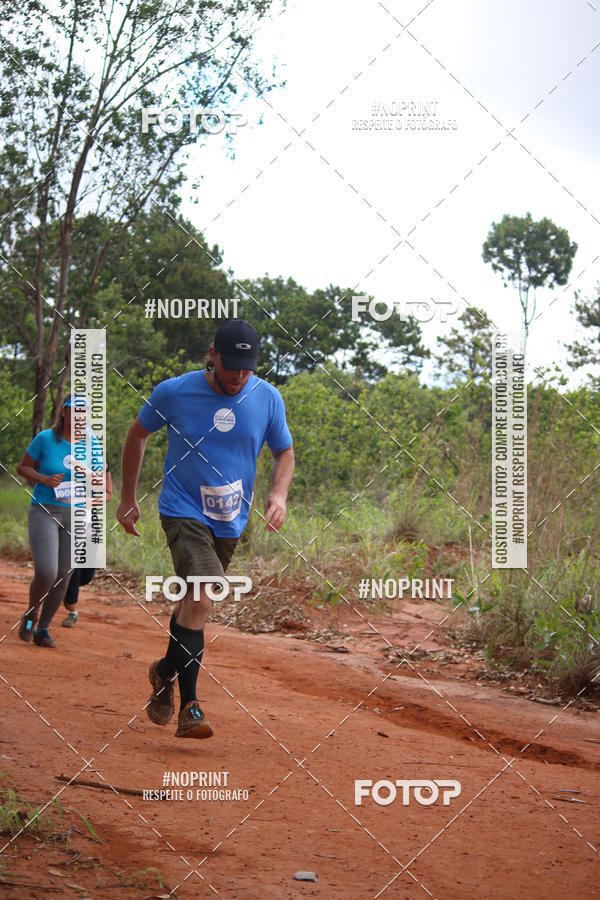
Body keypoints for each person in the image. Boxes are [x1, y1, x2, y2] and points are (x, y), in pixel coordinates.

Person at [116, 319, 294, 739]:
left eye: (246, 368)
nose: (238, 376)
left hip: (230, 520)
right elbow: (137, 435)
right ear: (212, 355)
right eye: (231, 366)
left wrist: (279, 494)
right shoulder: (174, 391)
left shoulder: (267, 398)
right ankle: (191, 708)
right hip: (182, 509)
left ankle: (163, 672)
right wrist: (127, 498)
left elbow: (283, 452)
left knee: (195, 605)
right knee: (200, 593)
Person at [16, 394, 105, 647]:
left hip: (76, 515)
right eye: (74, 410)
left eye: (83, 411)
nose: (79, 415)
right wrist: (43, 479)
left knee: (64, 576)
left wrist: (86, 472)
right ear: (64, 412)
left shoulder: (92, 443)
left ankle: (43, 629)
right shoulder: (45, 438)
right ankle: (31, 615)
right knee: (46, 571)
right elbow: (22, 467)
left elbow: (100, 481)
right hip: (44, 510)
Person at [61, 461, 113, 627]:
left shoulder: (101, 464)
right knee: (74, 566)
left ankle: (62, 586)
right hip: (69, 520)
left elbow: (108, 494)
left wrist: (90, 501)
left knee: (86, 575)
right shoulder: (66, 459)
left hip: (93, 521)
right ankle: (72, 611)